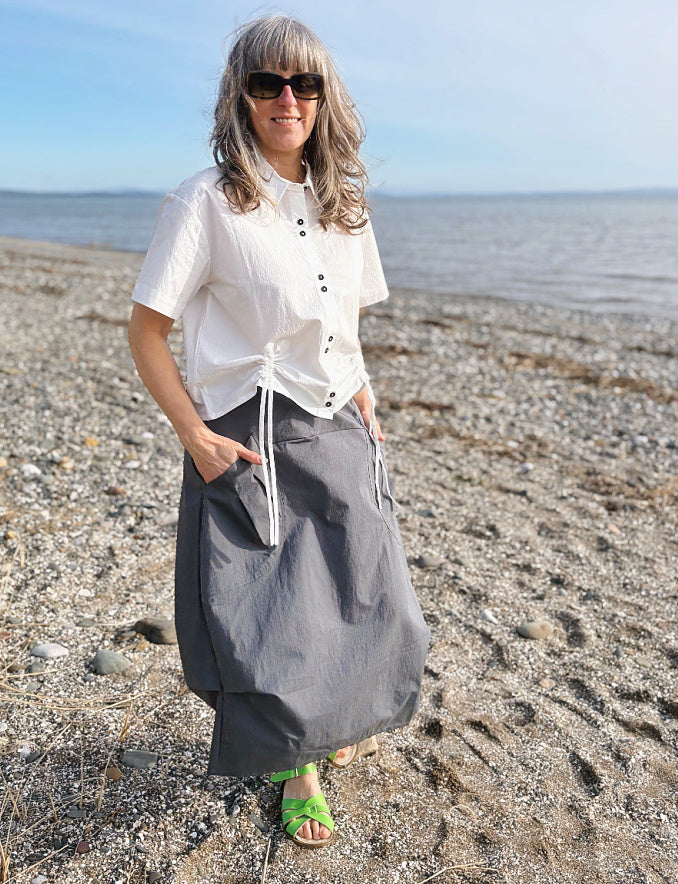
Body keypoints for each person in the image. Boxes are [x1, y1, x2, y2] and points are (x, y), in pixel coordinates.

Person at [128, 14, 430, 849]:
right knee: (269, 617)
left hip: (336, 416)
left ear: (325, 98)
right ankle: (296, 767)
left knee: (373, 595)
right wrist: (193, 433)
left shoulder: (345, 203)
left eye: (305, 84)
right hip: (247, 429)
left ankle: (331, 724)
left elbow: (346, 322)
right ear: (242, 96)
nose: (287, 99)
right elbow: (145, 330)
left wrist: (365, 392)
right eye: (268, 83)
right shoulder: (205, 201)